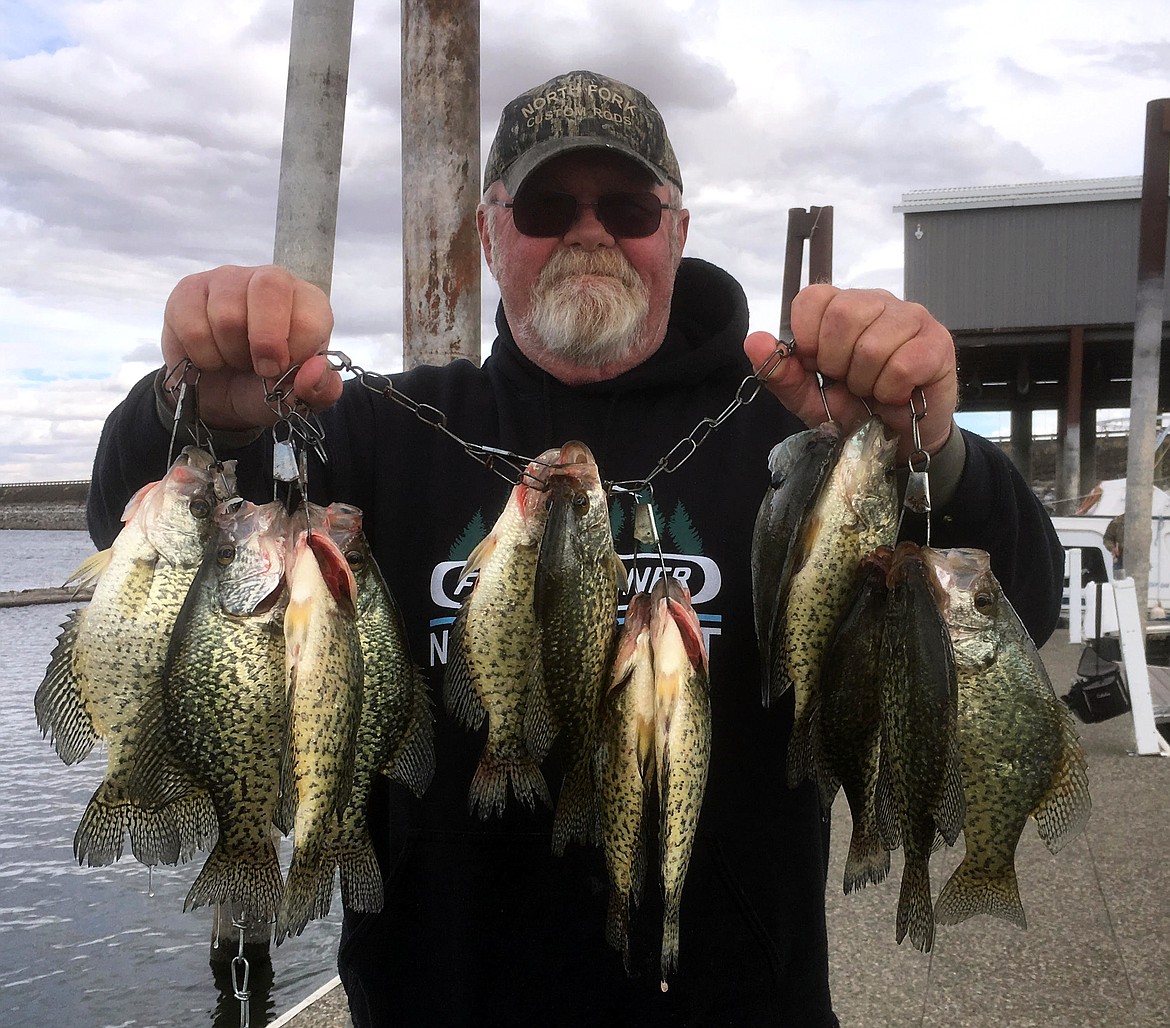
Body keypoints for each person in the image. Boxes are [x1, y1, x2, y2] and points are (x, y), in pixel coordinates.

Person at [88, 70, 1065, 1027]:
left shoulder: (801, 439)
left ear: (675, 232)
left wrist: (931, 446)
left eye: (630, 205)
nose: (590, 228)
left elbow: (1022, 599)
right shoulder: (386, 428)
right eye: (549, 201)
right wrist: (191, 408)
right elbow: (146, 550)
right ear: (488, 231)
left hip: (741, 1003)